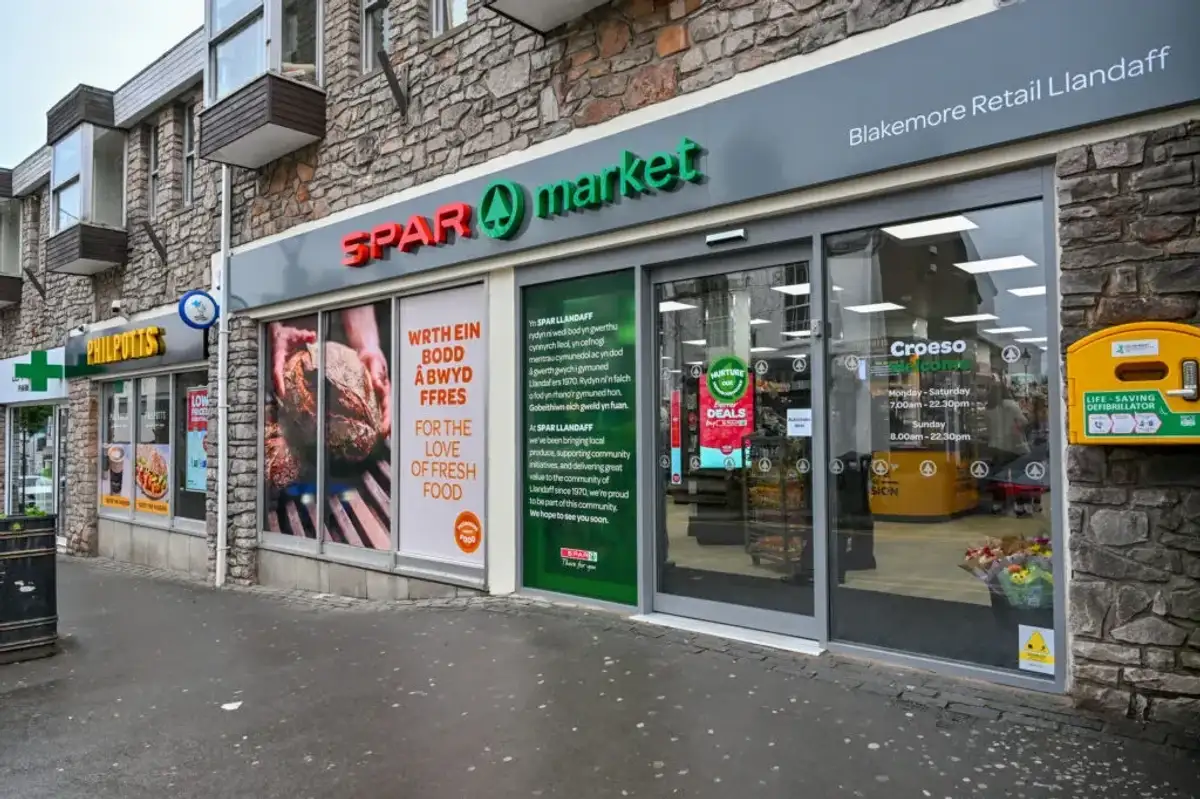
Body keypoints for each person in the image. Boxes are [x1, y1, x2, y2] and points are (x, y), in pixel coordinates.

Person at [268, 306, 392, 438]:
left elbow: (352, 295)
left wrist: (367, 347)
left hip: (339, 354)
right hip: (274, 363)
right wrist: (271, 328)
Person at [984, 381, 1030, 516]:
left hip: (996, 446)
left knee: (998, 476)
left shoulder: (988, 408)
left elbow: (988, 428)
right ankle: (1020, 506)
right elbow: (1024, 422)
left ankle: (997, 505)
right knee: (1019, 476)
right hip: (1014, 446)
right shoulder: (1011, 405)